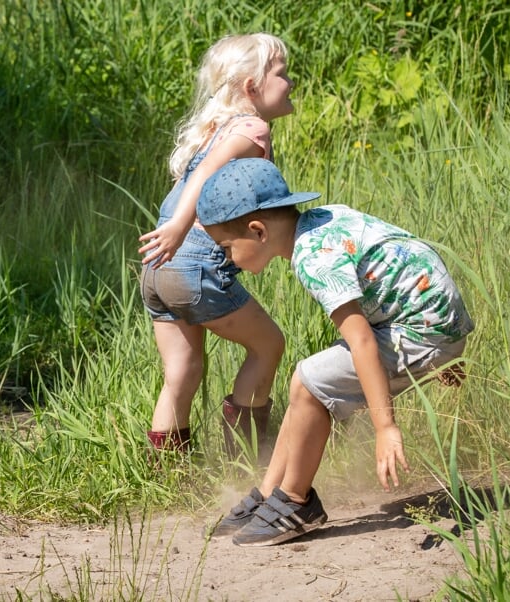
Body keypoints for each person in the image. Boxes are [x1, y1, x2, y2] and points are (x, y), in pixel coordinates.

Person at [195, 158, 475, 546]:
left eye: (226, 247)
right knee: (304, 383)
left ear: (258, 231)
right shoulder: (322, 220)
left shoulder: (313, 258)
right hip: (431, 324)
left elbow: (360, 340)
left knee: (309, 382)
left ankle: (296, 502)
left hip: (422, 333)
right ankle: (267, 493)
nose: (227, 259)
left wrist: (385, 426)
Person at [138, 34, 296, 458]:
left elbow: (191, 176)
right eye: (282, 75)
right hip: (192, 265)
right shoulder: (252, 129)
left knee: (182, 372)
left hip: (157, 271)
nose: (291, 83)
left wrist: (171, 234)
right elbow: (206, 173)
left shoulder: (212, 129)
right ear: (251, 87)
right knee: (268, 346)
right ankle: (245, 462)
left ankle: (166, 475)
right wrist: (178, 228)